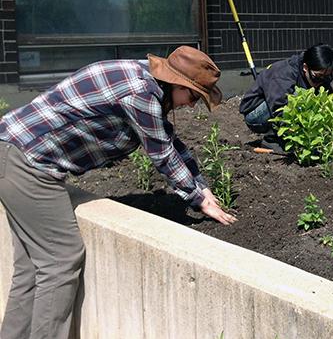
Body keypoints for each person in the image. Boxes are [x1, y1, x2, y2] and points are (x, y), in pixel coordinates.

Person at [0, 45, 237, 339]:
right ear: (177, 84)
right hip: (27, 164)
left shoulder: (142, 79)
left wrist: (201, 186)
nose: (191, 106)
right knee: (60, 261)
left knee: (32, 267)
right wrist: (197, 198)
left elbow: (170, 141)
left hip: (12, 150)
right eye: (193, 97)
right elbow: (161, 153)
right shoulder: (140, 95)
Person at [239, 44, 333, 154]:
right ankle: (272, 139)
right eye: (318, 77)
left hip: (275, 105)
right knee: (299, 97)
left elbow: (330, 106)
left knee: (314, 97)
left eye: (327, 77)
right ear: (305, 68)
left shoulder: (320, 76)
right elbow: (279, 107)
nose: (321, 81)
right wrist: (298, 139)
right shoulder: (284, 73)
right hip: (255, 114)